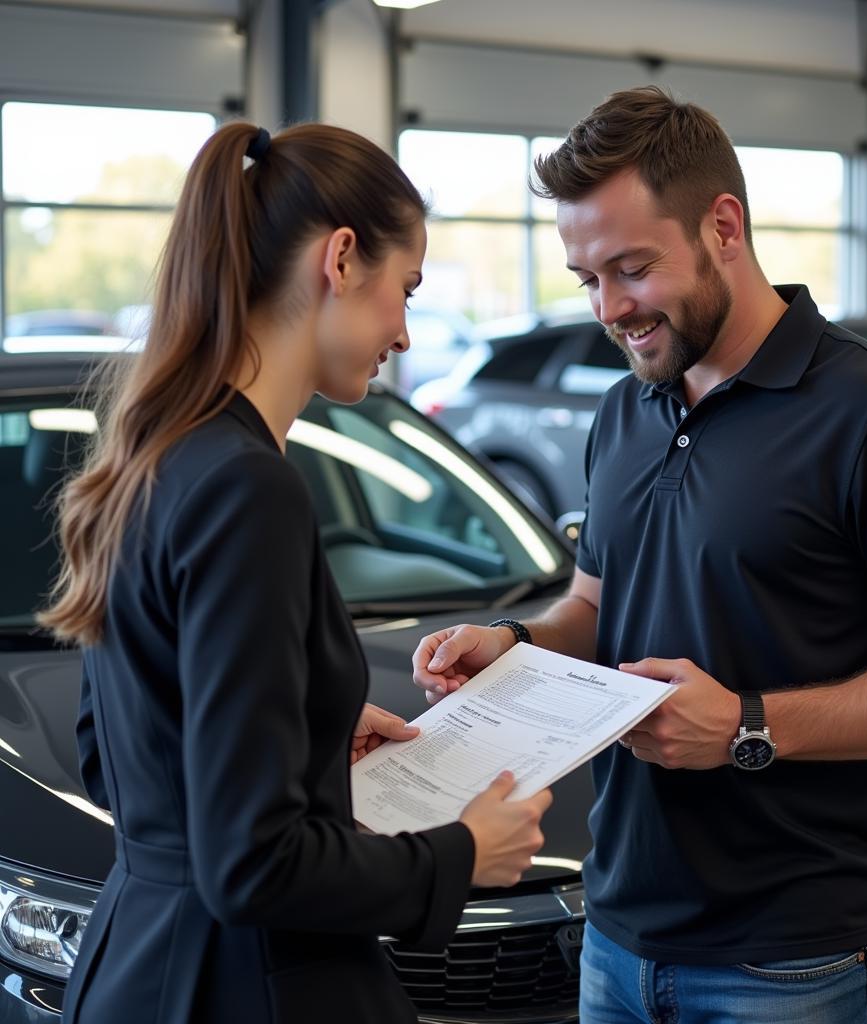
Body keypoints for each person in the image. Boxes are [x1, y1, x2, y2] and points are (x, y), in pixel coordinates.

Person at [412, 87, 867, 1024]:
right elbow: (596, 606)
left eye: (633, 269)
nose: (610, 309)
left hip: (802, 959)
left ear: (723, 227)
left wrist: (747, 723)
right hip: (616, 940)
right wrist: (515, 643)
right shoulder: (625, 412)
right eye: (588, 279)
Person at [40, 121, 551, 1024]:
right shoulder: (249, 490)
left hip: (137, 963)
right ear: (342, 258)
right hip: (244, 986)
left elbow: (114, 756)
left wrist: (303, 726)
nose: (403, 329)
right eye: (408, 288)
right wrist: (460, 853)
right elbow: (253, 864)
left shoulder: (160, 456)